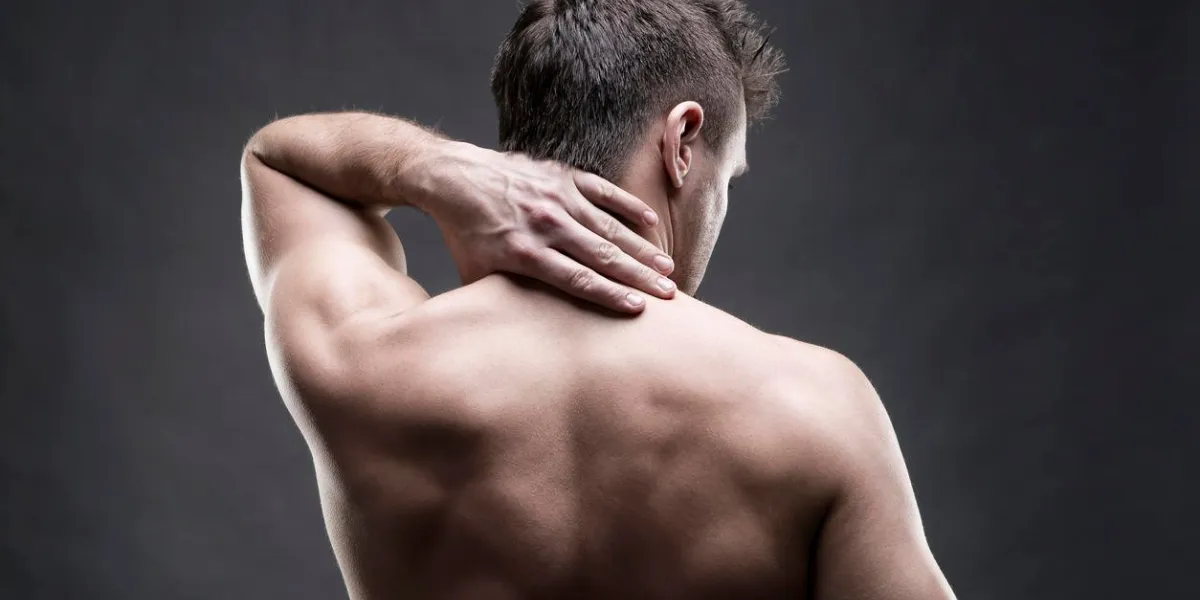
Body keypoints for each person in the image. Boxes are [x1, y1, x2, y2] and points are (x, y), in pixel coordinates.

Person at [240, 0, 956, 598]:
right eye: (726, 179)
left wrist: (429, 165)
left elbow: (276, 159)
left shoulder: (365, 359)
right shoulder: (815, 408)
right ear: (683, 140)